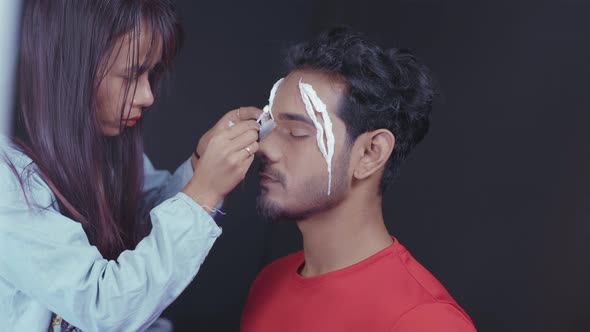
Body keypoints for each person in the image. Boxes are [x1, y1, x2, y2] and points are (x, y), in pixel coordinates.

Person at [0, 0, 260, 331]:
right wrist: (202, 194)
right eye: (131, 75)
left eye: (152, 74)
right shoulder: (9, 181)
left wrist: (200, 163)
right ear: (70, 68)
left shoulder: (102, 151)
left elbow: (148, 224)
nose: (148, 96)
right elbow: (102, 305)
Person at [241, 27, 476, 332]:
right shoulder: (269, 282)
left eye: (297, 133)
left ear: (370, 153)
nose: (265, 147)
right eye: (270, 127)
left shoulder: (426, 321)